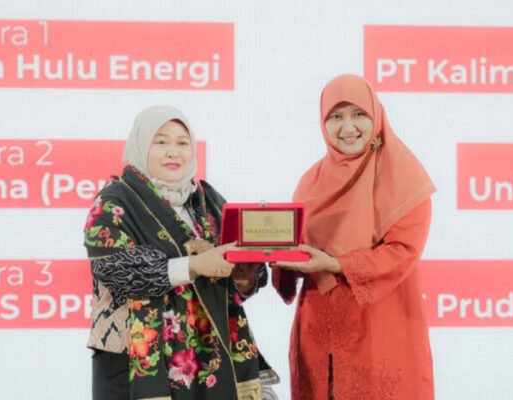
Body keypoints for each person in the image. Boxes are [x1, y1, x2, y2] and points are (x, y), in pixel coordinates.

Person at [84, 105, 277, 400]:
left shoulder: (208, 200)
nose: (173, 152)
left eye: (182, 143)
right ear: (141, 145)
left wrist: (244, 275)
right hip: (134, 362)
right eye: (161, 142)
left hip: (208, 359)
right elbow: (118, 271)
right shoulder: (113, 201)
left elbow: (231, 281)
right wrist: (195, 265)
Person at [273, 74, 436, 400]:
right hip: (318, 330)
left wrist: (335, 264)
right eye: (335, 116)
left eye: (359, 114)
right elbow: (296, 253)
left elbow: (403, 251)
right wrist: (273, 259)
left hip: (381, 324)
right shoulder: (311, 181)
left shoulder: (404, 177)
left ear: (376, 114)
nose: (348, 127)